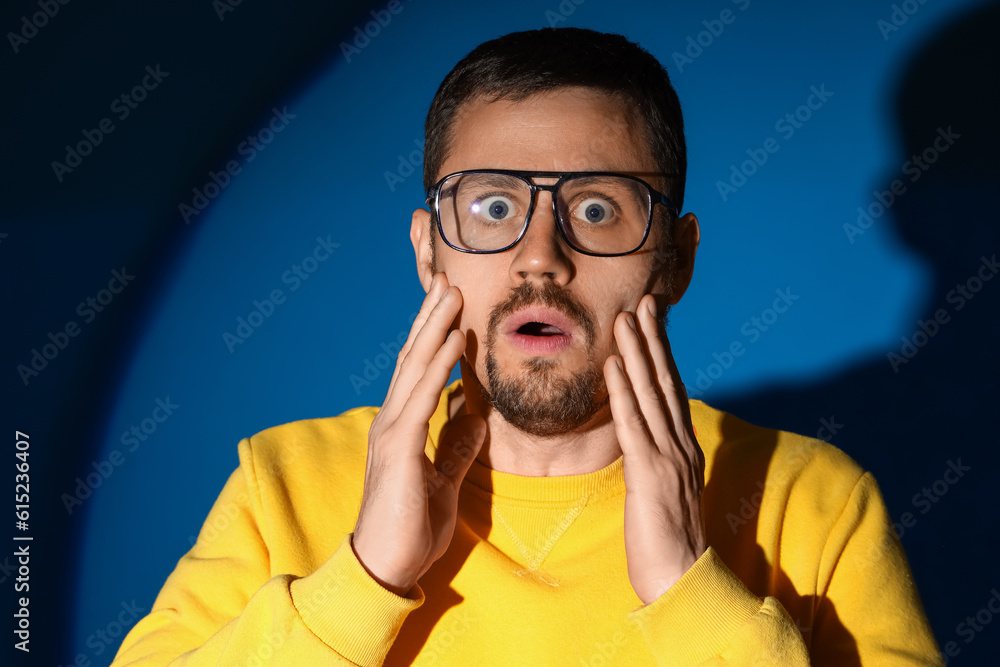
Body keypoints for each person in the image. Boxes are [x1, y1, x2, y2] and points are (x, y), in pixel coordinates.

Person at [112, 27, 942, 666]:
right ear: (428, 250)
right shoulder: (282, 483)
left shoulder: (818, 504)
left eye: (597, 209)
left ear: (676, 260)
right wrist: (363, 578)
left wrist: (696, 597)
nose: (540, 254)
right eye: (495, 208)